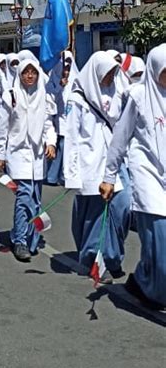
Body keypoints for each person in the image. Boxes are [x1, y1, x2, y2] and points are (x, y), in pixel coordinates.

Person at [100, 44, 166, 310]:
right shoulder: (139, 96)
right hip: (148, 178)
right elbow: (120, 138)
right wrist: (109, 175)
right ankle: (149, 286)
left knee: (156, 247)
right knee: (161, 248)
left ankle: (142, 280)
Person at [64, 51, 131, 283]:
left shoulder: (115, 93)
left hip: (113, 161)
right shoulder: (76, 100)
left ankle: (111, 256)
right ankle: (95, 261)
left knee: (123, 206)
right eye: (108, 73)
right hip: (89, 163)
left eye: (114, 72)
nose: (111, 77)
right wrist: (72, 175)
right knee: (95, 215)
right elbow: (71, 139)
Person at [0, 54, 56, 262]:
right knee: (24, 196)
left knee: (35, 198)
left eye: (33, 72)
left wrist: (51, 143)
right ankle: (20, 240)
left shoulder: (44, 97)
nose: (29, 76)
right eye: (25, 72)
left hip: (37, 155)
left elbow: (48, 124)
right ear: (19, 74)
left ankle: (30, 238)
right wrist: (0, 154)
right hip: (18, 153)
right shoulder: (10, 96)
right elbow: (3, 128)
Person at [45, 51, 78, 186]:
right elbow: (49, 94)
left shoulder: (77, 77)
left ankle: (65, 175)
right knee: (59, 145)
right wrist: (60, 84)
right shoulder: (53, 77)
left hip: (72, 117)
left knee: (68, 147)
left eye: (69, 63)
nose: (67, 67)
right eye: (65, 64)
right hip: (58, 117)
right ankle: (52, 176)